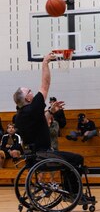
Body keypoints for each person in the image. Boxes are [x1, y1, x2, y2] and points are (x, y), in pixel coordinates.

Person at [13, 53, 85, 195]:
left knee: (68, 158)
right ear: (27, 98)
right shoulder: (33, 107)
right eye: (29, 91)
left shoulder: (19, 116)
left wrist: (50, 112)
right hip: (44, 156)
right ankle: (73, 192)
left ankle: (70, 189)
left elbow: (40, 125)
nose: (32, 92)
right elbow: (45, 85)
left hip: (33, 158)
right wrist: (45, 62)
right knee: (77, 159)